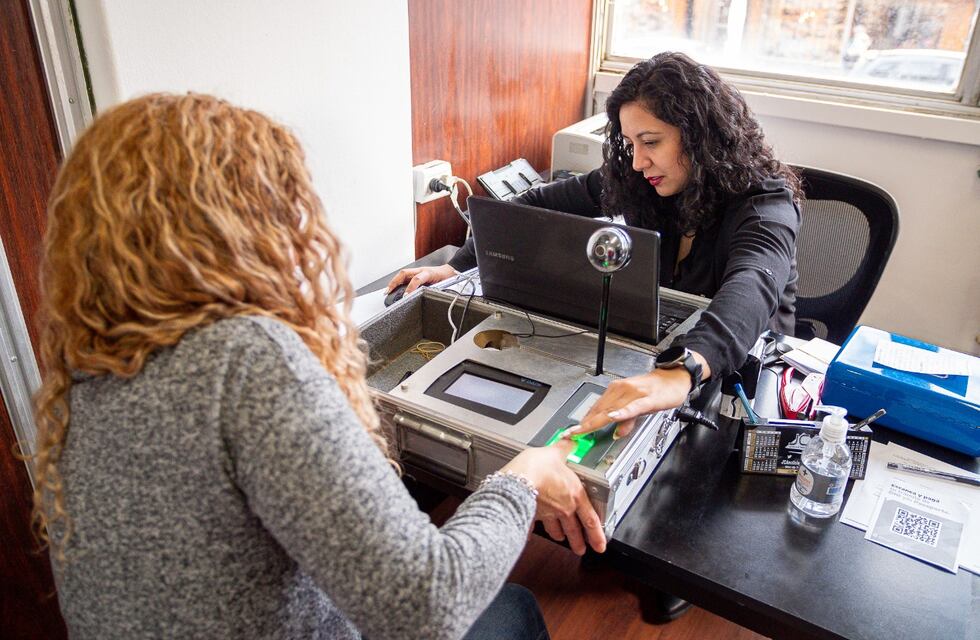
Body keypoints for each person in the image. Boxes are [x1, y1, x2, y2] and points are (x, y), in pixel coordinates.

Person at [30, 93, 606, 640]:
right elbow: (429, 604)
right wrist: (522, 476)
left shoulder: (86, 374)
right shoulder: (244, 358)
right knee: (515, 608)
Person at [388, 51, 800, 441]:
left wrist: (682, 370)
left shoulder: (767, 206)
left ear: (699, 137)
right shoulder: (645, 182)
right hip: (655, 363)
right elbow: (529, 207)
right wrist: (456, 267)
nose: (638, 162)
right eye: (631, 143)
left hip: (736, 387)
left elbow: (753, 283)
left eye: (652, 142)